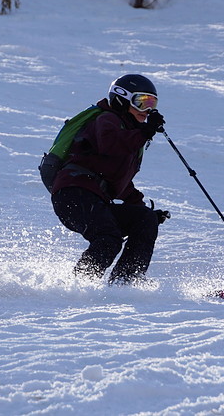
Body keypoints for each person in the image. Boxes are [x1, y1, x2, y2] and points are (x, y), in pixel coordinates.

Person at [50, 74, 169, 286]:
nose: (147, 111)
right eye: (141, 102)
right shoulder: (107, 119)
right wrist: (145, 131)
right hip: (74, 192)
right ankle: (78, 286)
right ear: (122, 99)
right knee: (108, 238)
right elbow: (111, 145)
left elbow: (120, 183)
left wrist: (142, 211)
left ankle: (125, 284)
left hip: (94, 198)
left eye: (152, 103)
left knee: (144, 220)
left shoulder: (130, 134)